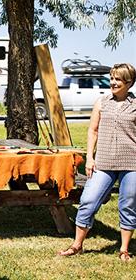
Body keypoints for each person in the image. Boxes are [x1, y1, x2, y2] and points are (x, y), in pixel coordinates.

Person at [58, 63, 136, 262]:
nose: (113, 82)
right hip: (104, 162)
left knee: (127, 205)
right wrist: (90, 158)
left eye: (118, 79)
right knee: (88, 201)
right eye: (112, 78)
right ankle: (77, 245)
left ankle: (124, 250)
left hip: (132, 164)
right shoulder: (101, 102)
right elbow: (93, 131)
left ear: (129, 82)